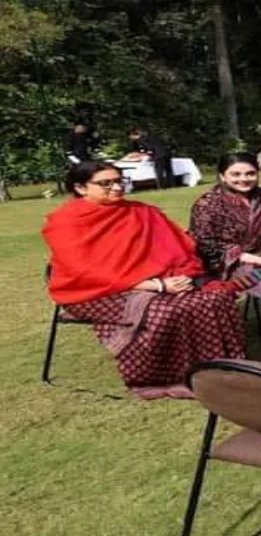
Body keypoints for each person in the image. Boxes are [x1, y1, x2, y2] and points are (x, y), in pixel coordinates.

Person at [41, 161, 247, 400]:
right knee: (171, 310)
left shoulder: (141, 212)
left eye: (119, 181)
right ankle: (169, 376)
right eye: (106, 184)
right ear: (81, 188)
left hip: (158, 280)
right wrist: (155, 285)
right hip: (94, 290)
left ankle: (226, 369)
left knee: (214, 297)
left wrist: (178, 276)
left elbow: (176, 249)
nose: (117, 188)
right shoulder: (66, 221)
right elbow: (85, 271)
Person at [188, 152, 261, 296]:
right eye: (236, 174)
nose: (244, 179)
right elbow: (205, 244)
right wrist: (250, 258)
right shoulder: (208, 204)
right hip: (227, 266)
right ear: (223, 176)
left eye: (250, 174)